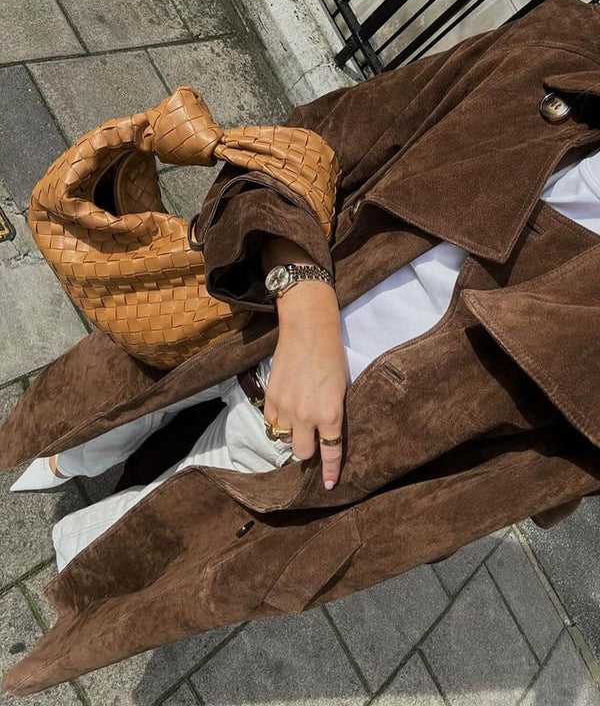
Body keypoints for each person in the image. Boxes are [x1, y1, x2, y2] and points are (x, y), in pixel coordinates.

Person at [11, 135, 600, 571]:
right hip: (249, 305)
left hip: (326, 434)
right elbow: (331, 133)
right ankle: (64, 463)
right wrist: (305, 299)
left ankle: (76, 556)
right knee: (126, 394)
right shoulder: (558, 50)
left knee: (171, 512)